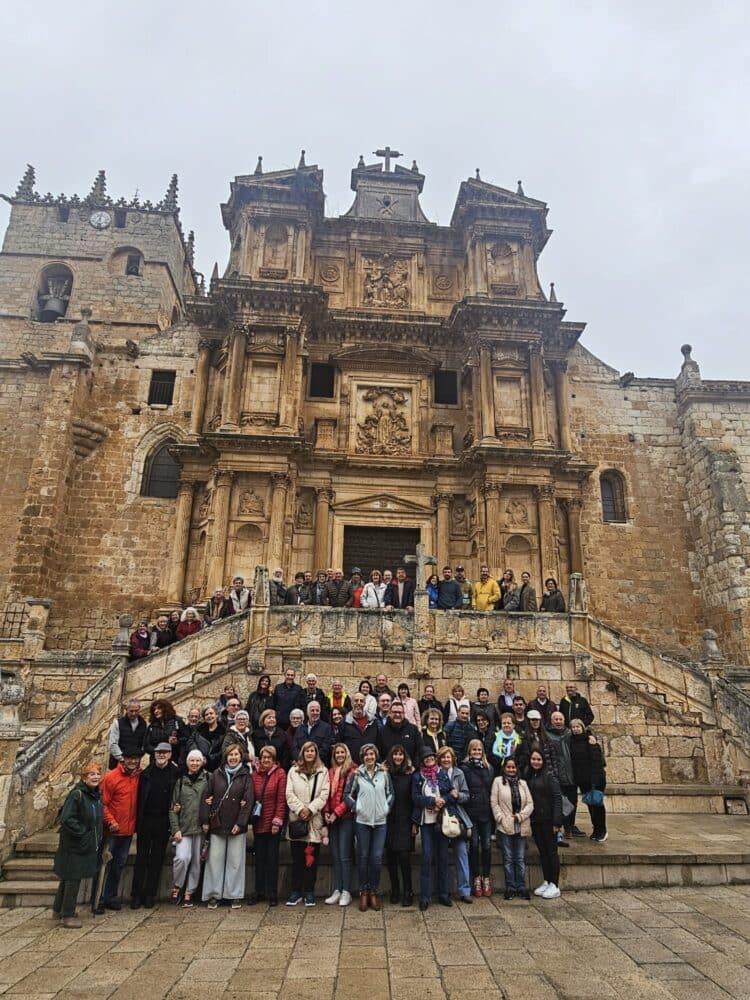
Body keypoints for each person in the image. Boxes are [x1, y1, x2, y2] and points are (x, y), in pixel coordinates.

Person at [200, 743, 254, 909]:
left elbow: (248, 801)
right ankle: (214, 894)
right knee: (214, 861)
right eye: (230, 755)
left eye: (236, 755)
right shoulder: (216, 774)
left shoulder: (246, 776)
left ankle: (233, 894)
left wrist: (241, 823)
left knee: (235, 861)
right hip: (218, 824)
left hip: (236, 825)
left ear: (240, 757)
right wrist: (205, 820)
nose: (233, 758)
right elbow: (206, 797)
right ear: (226, 757)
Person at [53, 762, 103, 927]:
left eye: (97, 774)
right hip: (75, 844)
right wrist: (83, 833)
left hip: (84, 844)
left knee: (69, 877)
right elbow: (67, 818)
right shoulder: (78, 795)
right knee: (72, 878)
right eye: (91, 774)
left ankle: (58, 910)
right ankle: (67, 915)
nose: (95, 777)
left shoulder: (94, 795)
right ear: (84, 777)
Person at [345, 744, 393, 911]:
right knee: (363, 857)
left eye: (372, 754)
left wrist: (386, 808)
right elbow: (347, 795)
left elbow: (390, 794)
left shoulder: (384, 773)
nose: (369, 757)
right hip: (362, 821)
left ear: (376, 756)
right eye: (366, 755)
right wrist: (356, 806)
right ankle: (363, 891)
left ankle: (373, 890)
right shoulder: (356, 774)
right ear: (362, 757)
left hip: (380, 822)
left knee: (377, 858)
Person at [132, 742, 179, 908]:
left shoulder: (175, 773)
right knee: (141, 858)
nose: (161, 755)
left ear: (170, 755)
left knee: (157, 859)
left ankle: (149, 894)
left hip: (163, 820)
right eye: (159, 752)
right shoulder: (146, 773)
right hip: (146, 820)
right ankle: (136, 895)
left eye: (165, 752)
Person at [285, 741, 330, 906]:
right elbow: (289, 793)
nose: (310, 753)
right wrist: (300, 810)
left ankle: (309, 891)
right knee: (296, 859)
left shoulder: (322, 771)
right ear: (302, 753)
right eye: (307, 751)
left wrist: (310, 809)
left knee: (311, 859)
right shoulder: (293, 771)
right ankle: (296, 891)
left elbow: (324, 794)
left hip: (313, 821)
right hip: (297, 821)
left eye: (312, 750)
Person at [97, 753, 141, 912]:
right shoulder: (111, 777)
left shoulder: (138, 776)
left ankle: (110, 897)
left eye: (135, 758)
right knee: (104, 864)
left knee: (118, 865)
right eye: (130, 758)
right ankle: (98, 899)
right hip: (112, 830)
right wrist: (111, 821)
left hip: (128, 830)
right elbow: (102, 803)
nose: (133, 761)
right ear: (123, 759)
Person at [169, 749, 209, 907]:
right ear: (187, 763)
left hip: (200, 827)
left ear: (202, 762)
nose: (194, 763)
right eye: (192, 761)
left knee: (196, 862)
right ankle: (178, 885)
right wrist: (175, 829)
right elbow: (173, 808)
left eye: (197, 761)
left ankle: (189, 891)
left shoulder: (208, 778)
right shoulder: (180, 781)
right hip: (184, 828)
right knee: (182, 857)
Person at [491, 756, 533, 900]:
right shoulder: (497, 782)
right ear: (504, 768)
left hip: (520, 824)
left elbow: (530, 804)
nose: (511, 770)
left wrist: (520, 816)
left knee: (520, 858)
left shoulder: (523, 783)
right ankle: (510, 887)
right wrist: (500, 818)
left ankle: (521, 886)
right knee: (508, 858)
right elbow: (494, 802)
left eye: (513, 767)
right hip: (505, 825)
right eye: (508, 767)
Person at [250, 746, 287, 905]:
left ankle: (272, 893)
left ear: (274, 759)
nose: (266, 760)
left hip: (272, 823)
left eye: (269, 758)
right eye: (263, 757)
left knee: (272, 859)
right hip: (259, 822)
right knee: (259, 859)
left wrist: (277, 820)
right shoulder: (254, 774)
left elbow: (281, 799)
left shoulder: (280, 774)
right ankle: (259, 891)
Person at [436, 746, 473, 904]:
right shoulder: (435, 774)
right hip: (441, 817)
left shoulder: (459, 773)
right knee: (442, 856)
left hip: (458, 817)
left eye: (448, 757)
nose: (446, 760)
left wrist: (459, 796)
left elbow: (467, 795)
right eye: (443, 757)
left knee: (462, 854)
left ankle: (465, 890)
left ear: (452, 759)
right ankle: (443, 892)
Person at [412, 747, 447, 911]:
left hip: (441, 821)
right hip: (426, 822)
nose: (429, 760)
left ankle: (443, 893)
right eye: (426, 758)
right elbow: (415, 798)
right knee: (426, 857)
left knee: (442, 857)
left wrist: (442, 801)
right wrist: (432, 801)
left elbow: (450, 792)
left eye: (431, 758)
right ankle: (425, 896)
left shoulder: (442, 773)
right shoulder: (418, 776)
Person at [526, 747, 563, 899]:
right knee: (543, 852)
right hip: (536, 820)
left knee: (552, 852)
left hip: (548, 820)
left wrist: (557, 822)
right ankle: (547, 880)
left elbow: (557, 798)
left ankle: (555, 883)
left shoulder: (550, 777)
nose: (536, 762)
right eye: (533, 759)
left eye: (538, 759)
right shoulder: (530, 776)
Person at [460, 739, 494, 898]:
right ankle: (476, 878)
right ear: (469, 751)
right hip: (471, 813)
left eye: (479, 750)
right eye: (474, 750)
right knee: (473, 845)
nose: (477, 753)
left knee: (486, 845)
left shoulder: (489, 768)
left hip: (486, 812)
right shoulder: (464, 769)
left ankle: (486, 877)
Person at [324, 743, 356, 907]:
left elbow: (350, 796)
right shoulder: (330, 771)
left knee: (345, 855)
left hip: (346, 817)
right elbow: (326, 794)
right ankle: (337, 888)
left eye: (343, 752)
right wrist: (327, 812)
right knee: (335, 855)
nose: (340, 755)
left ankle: (347, 890)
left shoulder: (353, 771)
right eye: (337, 752)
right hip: (332, 819)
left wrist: (337, 812)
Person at [384, 745, 414, 906]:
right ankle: (395, 890)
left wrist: (414, 823)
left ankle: (408, 891)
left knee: (404, 857)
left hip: (405, 819)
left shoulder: (410, 774)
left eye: (400, 754)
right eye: (395, 754)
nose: (397, 757)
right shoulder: (385, 774)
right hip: (389, 819)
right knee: (391, 858)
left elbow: (413, 799)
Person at [570, 719, 608, 842]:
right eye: (573, 727)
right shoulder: (571, 741)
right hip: (583, 780)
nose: (575, 729)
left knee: (597, 805)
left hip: (595, 778)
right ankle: (596, 829)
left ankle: (602, 830)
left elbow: (598, 761)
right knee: (591, 805)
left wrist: (595, 779)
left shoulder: (590, 741)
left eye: (578, 727)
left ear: (582, 727)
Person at [548, 711, 577, 843]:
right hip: (557, 774)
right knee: (558, 803)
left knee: (572, 802)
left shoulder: (570, 734)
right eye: (556, 719)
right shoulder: (547, 735)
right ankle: (558, 828)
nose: (558, 721)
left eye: (560, 719)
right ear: (552, 721)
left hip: (571, 775)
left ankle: (569, 827)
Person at [517, 710, 559, 778]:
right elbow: (521, 757)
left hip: (547, 771)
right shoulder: (523, 737)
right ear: (528, 721)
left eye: (537, 720)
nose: (535, 722)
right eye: (533, 720)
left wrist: (554, 773)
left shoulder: (546, 736)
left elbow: (552, 756)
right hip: (530, 773)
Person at [107, 699, 146, 770]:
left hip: (134, 764)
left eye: (136, 711)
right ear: (126, 710)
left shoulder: (143, 724)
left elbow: (143, 744)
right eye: (131, 711)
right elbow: (113, 744)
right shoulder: (117, 723)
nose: (134, 713)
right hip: (117, 763)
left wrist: (136, 759)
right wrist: (123, 759)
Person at [341, 693, 379, 762]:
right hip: (351, 766)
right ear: (352, 703)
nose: (359, 703)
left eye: (361, 701)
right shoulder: (344, 722)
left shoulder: (373, 722)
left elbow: (378, 744)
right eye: (356, 701)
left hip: (370, 765)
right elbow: (340, 745)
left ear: (365, 703)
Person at [292, 701, 332, 765]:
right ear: (307, 713)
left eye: (317, 710)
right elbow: (294, 747)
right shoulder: (300, 728)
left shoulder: (326, 728)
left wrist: (312, 760)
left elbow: (325, 748)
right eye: (312, 710)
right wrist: (301, 760)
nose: (315, 713)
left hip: (319, 765)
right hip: (301, 764)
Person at [179, 707, 212, 772]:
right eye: (192, 716)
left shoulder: (205, 729)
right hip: (184, 762)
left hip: (202, 762)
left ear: (199, 718)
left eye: (196, 717)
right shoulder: (182, 729)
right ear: (188, 717)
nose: (194, 719)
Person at [197, 705, 226, 772]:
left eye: (211, 713)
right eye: (206, 714)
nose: (209, 716)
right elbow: (192, 743)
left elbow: (224, 750)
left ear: (216, 715)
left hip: (218, 767)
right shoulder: (198, 731)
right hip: (201, 766)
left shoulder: (224, 731)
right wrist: (199, 757)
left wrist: (208, 759)